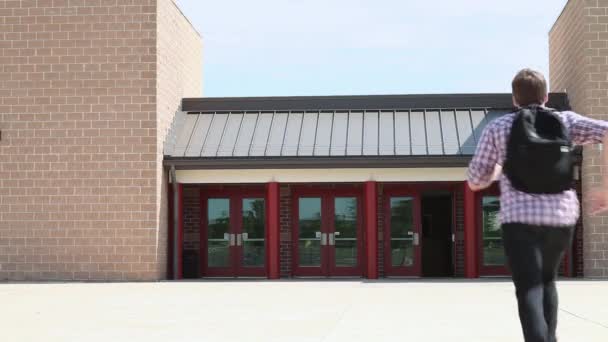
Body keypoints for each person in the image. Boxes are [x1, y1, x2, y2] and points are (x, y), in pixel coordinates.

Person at [467, 68, 608, 342]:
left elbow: (475, 180)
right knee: (547, 281)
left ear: (514, 99)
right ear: (545, 96)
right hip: (561, 218)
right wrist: (605, 187)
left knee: (529, 286)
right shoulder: (565, 121)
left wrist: (498, 169)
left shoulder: (499, 127)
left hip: (519, 219)